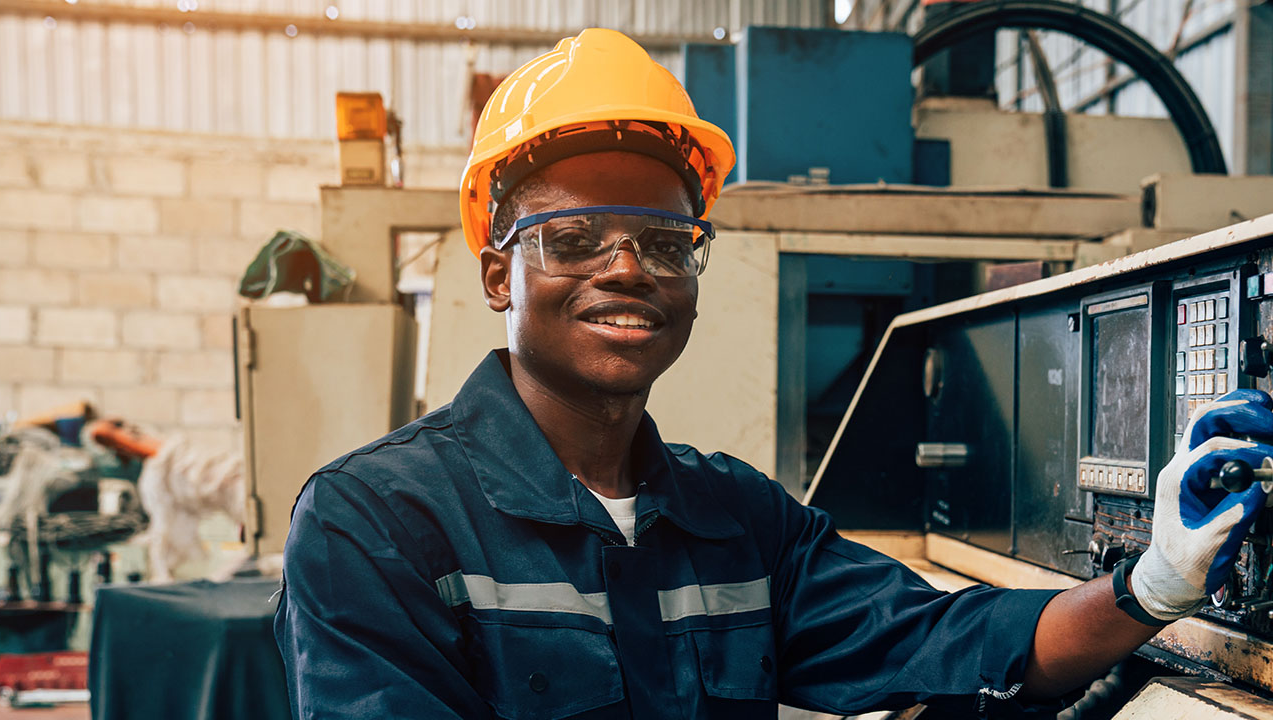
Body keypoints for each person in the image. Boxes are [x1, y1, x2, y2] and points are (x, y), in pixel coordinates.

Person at [275, 29, 1273, 719]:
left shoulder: (735, 522)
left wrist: (1151, 583)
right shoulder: (376, 523)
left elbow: (945, 636)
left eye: (664, 242)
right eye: (574, 237)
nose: (627, 268)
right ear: (499, 274)